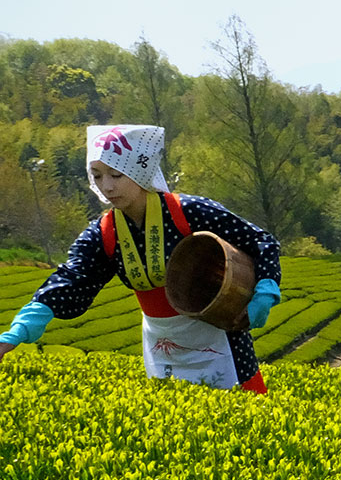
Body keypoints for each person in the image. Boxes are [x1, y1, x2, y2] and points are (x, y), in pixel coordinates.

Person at [0, 124, 281, 391]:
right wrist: (19, 331)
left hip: (217, 335)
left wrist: (265, 289)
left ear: (138, 171)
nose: (107, 187)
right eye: (97, 175)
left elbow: (260, 240)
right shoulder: (104, 233)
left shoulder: (190, 211)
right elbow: (70, 279)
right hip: (161, 342)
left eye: (116, 175)